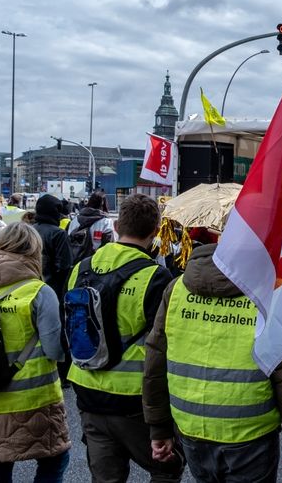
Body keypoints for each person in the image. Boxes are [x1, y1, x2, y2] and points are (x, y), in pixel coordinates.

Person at [144, 244, 282, 483]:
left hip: (192, 427)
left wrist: (158, 427)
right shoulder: (273, 292)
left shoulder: (176, 289)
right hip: (251, 433)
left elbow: (155, 360)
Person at [69, 194, 180, 482]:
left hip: (87, 390)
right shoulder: (156, 277)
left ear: (117, 226)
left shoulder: (81, 269)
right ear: (156, 231)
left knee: (105, 477)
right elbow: (165, 346)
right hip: (134, 399)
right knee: (166, 467)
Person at [0, 223, 70, 482]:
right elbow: (54, 349)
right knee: (54, 458)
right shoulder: (39, 291)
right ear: (34, 251)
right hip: (33, 398)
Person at [67, 190, 117, 256]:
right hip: (96, 261)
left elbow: (68, 241)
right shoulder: (106, 222)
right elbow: (109, 245)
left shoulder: (75, 220)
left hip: (75, 259)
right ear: (104, 204)